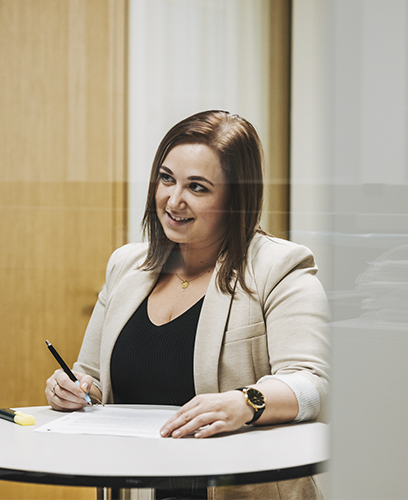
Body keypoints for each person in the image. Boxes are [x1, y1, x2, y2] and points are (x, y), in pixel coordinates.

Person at [45, 110, 329, 499]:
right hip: (139, 488)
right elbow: (89, 379)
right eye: (167, 179)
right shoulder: (127, 265)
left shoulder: (278, 266)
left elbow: (313, 384)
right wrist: (70, 390)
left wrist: (246, 402)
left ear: (235, 197)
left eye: (197, 187)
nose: (173, 200)